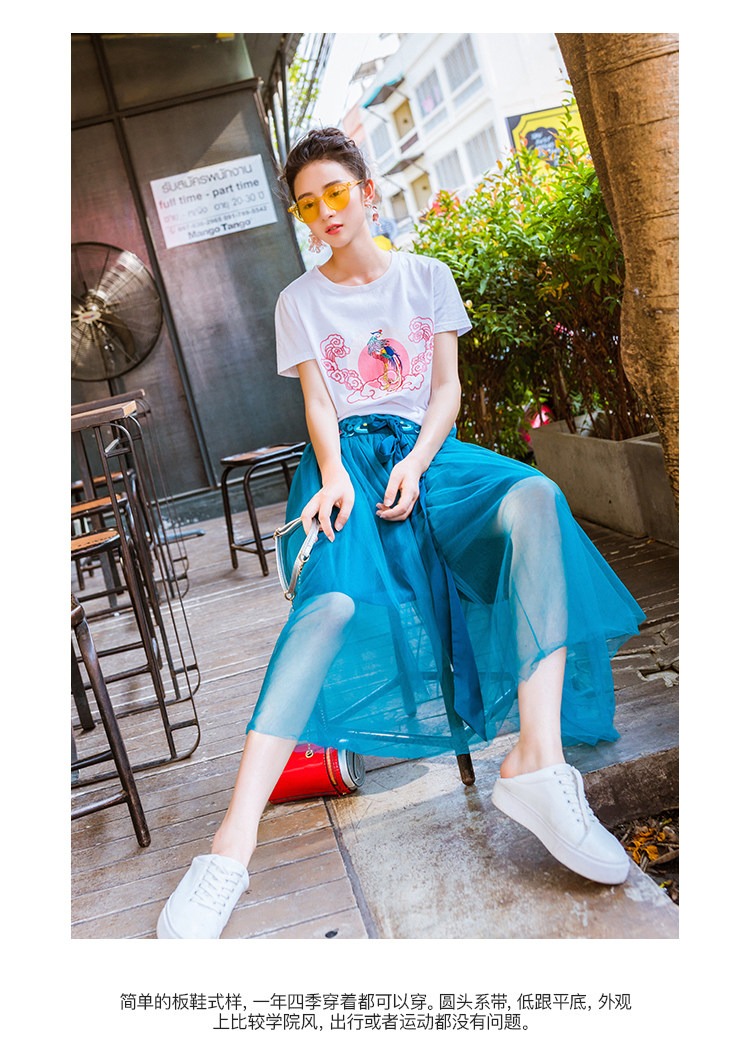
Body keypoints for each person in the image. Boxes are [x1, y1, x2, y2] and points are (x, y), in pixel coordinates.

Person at [157, 128, 644, 940]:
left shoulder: (427, 277)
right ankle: (228, 848)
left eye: (335, 193)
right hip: (344, 463)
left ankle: (538, 758)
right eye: (306, 205)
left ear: (368, 190)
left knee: (535, 496)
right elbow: (319, 403)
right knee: (331, 605)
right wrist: (335, 473)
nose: (324, 213)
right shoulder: (299, 301)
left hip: (430, 455)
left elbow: (445, 389)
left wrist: (417, 462)